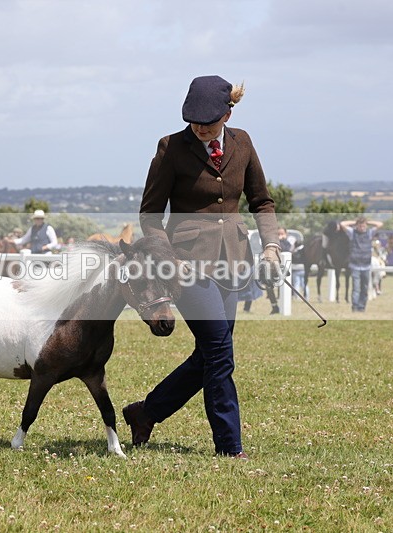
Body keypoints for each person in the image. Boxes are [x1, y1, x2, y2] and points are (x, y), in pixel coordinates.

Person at [122, 75, 281, 459]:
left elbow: (262, 201)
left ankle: (146, 412)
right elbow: (150, 216)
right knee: (220, 353)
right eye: (193, 122)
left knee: (210, 354)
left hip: (233, 261)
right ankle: (230, 447)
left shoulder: (242, 142)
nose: (200, 129)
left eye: (208, 123)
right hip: (186, 266)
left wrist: (271, 245)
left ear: (227, 113)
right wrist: (168, 258)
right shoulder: (171, 147)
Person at [340, 216, 383, 312]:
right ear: (357, 226)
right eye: (360, 226)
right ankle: (355, 307)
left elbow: (380, 224)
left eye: (364, 226)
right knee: (356, 288)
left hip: (366, 265)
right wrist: (355, 222)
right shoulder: (352, 233)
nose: (362, 227)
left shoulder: (369, 233)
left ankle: (362, 307)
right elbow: (342, 224)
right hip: (355, 265)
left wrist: (368, 222)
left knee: (364, 288)